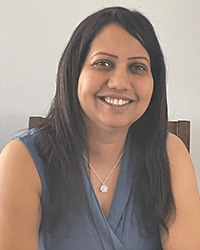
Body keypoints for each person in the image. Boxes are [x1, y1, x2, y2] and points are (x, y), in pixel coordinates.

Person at [0, 6, 199, 250]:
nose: (119, 83)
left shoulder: (170, 154)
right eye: (103, 63)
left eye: (137, 67)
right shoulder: (22, 160)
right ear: (74, 73)